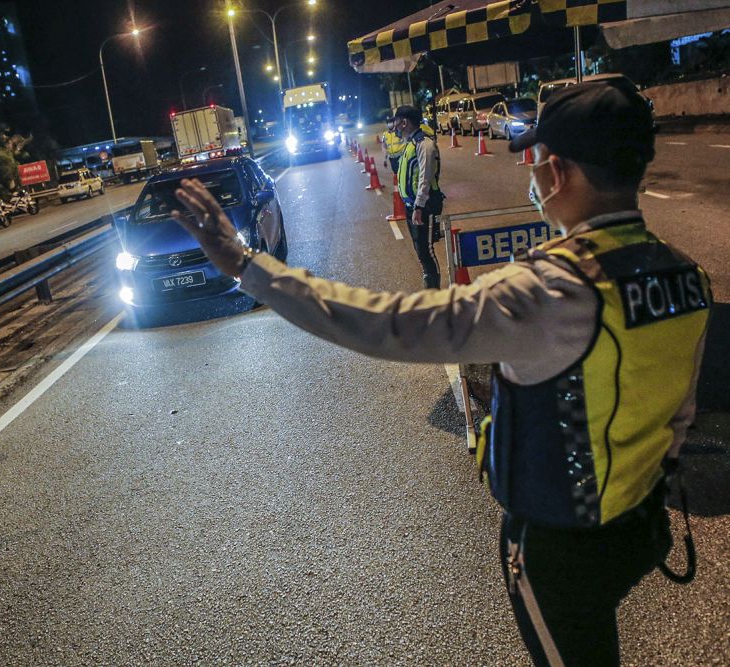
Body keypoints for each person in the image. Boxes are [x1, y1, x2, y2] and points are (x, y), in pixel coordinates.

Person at [169, 77, 710, 666]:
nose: (534, 175)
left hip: (563, 550)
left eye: (537, 160)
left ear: (558, 173)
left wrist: (250, 268)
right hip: (641, 525)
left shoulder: (549, 291)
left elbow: (387, 322)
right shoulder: (685, 276)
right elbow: (680, 407)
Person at [392, 104, 443, 289]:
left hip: (424, 206)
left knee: (426, 250)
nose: (394, 126)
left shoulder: (424, 144)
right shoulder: (411, 143)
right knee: (420, 249)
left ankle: (435, 293)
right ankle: (430, 289)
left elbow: (425, 178)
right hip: (412, 206)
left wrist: (419, 207)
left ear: (404, 122)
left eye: (396, 121)